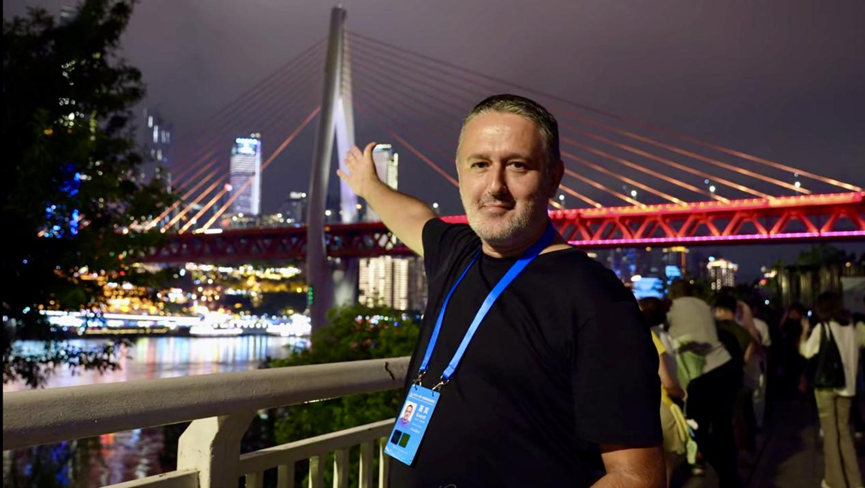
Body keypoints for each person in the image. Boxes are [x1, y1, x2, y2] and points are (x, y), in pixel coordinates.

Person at [339, 94, 664, 487]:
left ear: (554, 177)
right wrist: (369, 186)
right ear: (460, 174)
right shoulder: (458, 254)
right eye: (480, 165)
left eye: (517, 165)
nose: (495, 186)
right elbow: (414, 217)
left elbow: (636, 477)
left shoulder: (595, 298)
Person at [666, 279, 743, 487]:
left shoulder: (673, 309)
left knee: (694, 425)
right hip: (726, 366)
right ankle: (730, 477)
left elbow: (669, 336)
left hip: (704, 375)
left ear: (673, 294)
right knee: (723, 426)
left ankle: (726, 471)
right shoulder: (702, 305)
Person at [800, 292, 865, 488]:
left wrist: (804, 331)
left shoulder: (823, 327)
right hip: (848, 388)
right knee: (845, 434)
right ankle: (855, 482)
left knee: (830, 436)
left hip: (826, 387)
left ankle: (835, 482)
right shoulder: (852, 328)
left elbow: (806, 351)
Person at [640, 297, 688, 487]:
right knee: (664, 469)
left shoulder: (614, 338)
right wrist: (682, 394)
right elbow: (667, 381)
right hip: (659, 407)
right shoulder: (649, 336)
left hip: (631, 409)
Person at [714, 295, 759, 459]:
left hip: (716, 380)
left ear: (719, 309)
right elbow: (746, 360)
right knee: (738, 418)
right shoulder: (745, 333)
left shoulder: (713, 330)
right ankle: (741, 452)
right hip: (737, 379)